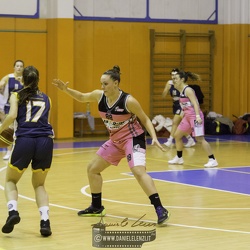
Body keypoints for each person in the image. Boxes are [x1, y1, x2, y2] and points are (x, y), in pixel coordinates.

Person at [52, 65, 170, 225]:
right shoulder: (99, 96)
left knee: (138, 171)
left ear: (116, 83)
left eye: (105, 84)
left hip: (133, 139)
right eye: (101, 83)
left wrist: (154, 137)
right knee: (92, 169)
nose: (102, 87)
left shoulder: (128, 101)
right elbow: (81, 96)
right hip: (115, 141)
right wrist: (66, 90)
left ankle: (160, 208)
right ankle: (96, 207)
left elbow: (145, 119)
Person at [0, 66, 54, 237]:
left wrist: (1, 129)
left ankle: (13, 212)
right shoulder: (47, 98)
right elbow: (47, 122)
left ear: (22, 80)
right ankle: (45, 222)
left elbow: (12, 116)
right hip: (45, 142)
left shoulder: (17, 95)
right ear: (38, 79)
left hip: (25, 141)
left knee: (10, 181)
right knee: (39, 185)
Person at [167, 71, 218, 167]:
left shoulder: (188, 90)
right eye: (173, 79)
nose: (174, 80)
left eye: (176, 78)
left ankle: (212, 159)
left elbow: (195, 103)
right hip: (187, 117)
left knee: (199, 138)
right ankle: (179, 158)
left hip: (195, 116)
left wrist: (198, 116)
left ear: (182, 79)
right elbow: (185, 106)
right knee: (177, 135)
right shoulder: (180, 91)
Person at [162, 68, 196, 148]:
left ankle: (170, 140)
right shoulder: (169, 83)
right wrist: (166, 88)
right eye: (172, 75)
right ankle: (190, 139)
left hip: (182, 104)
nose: (173, 76)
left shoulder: (181, 83)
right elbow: (163, 95)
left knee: (175, 122)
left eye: (175, 75)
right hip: (175, 104)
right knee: (180, 124)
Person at [0, 60, 24, 160]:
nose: (19, 67)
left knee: (19, 129)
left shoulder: (25, 79)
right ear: (14, 67)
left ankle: (20, 150)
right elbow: (1, 83)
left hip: (21, 107)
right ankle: (9, 151)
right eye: (17, 66)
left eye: (21, 66)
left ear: (23, 68)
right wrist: (1, 85)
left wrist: (22, 82)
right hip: (8, 106)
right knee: (8, 129)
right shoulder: (8, 77)